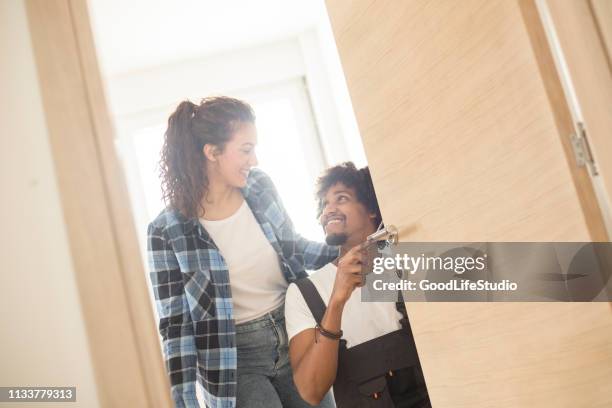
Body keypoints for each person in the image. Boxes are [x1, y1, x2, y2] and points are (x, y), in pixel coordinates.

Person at [147, 96, 337, 408]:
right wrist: (184, 403)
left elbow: (295, 249)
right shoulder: (166, 230)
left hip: (295, 331)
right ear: (212, 152)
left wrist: (349, 250)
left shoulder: (260, 187)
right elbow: (175, 326)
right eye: (246, 149)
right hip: (234, 362)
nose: (255, 160)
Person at [285, 162, 431, 407]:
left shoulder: (410, 260)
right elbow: (311, 391)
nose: (328, 209)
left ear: (371, 210)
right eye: (323, 204)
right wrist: (337, 301)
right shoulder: (304, 293)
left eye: (340, 198)